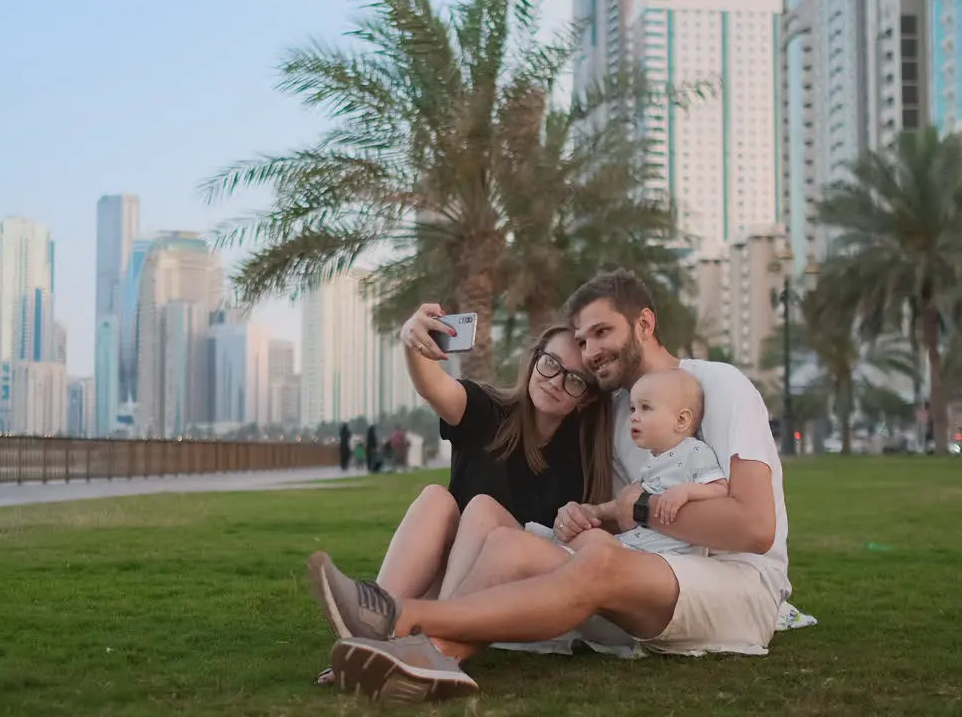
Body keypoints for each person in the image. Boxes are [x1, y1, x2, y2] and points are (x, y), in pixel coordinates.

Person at [309, 270, 790, 704]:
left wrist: (633, 512)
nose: (592, 350)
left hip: (732, 585)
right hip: (641, 576)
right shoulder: (615, 413)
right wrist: (588, 515)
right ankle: (430, 656)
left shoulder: (717, 386)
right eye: (583, 339)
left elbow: (754, 527)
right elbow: (612, 517)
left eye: (603, 332)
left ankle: (396, 617)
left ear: (645, 323)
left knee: (601, 557)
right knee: (505, 539)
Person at [309, 304, 615, 686]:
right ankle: (366, 639)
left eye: (574, 379)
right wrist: (413, 342)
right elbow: (433, 386)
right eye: (551, 364)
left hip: (505, 588)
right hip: (448, 578)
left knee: (483, 509)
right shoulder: (488, 410)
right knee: (438, 497)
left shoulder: (582, 456)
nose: (555, 381)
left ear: (584, 397)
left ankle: (432, 647)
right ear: (534, 360)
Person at [536, 367, 727, 558]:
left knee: (589, 542)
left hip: (668, 555)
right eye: (633, 409)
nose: (634, 417)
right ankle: (546, 545)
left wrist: (685, 492)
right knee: (585, 539)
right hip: (637, 545)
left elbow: (720, 489)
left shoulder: (694, 451)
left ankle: (546, 544)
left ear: (682, 420)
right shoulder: (653, 461)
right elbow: (624, 503)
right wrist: (598, 510)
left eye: (646, 408)